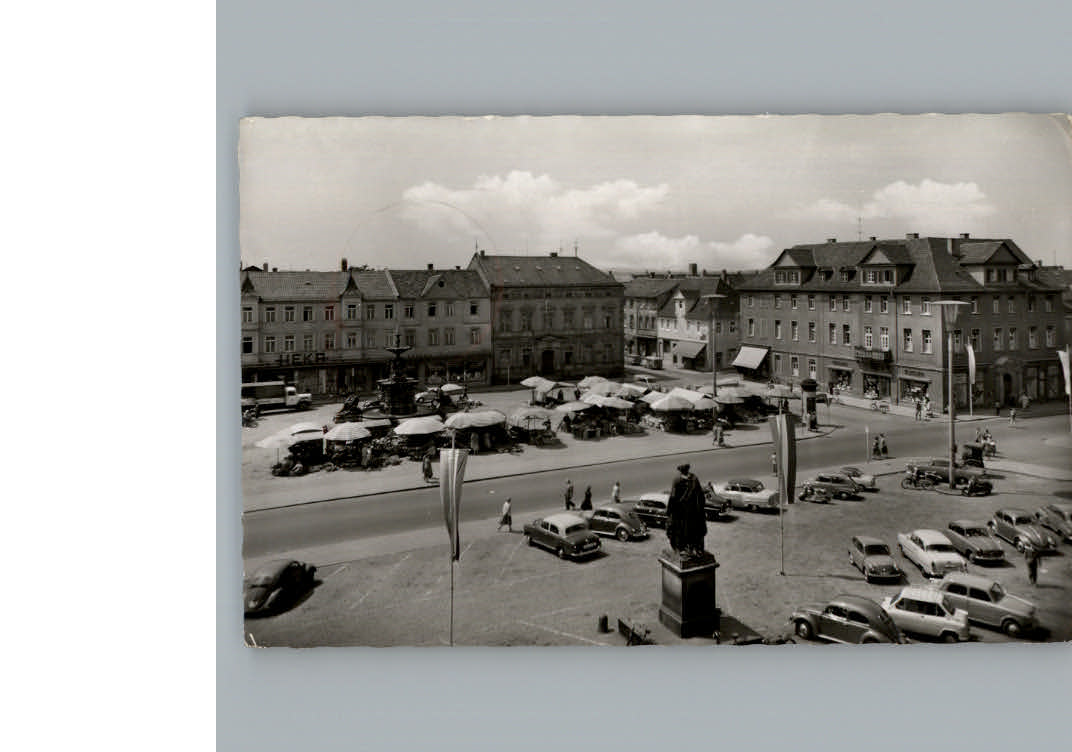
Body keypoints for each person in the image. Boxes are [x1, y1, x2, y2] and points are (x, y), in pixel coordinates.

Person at [666, 463, 708, 556]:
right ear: (688, 469)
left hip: (681, 511)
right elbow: (700, 495)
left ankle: (683, 549)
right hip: (694, 511)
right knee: (694, 529)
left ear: (680, 470)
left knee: (681, 529)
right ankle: (695, 548)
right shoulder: (694, 479)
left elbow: (672, 497)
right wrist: (701, 508)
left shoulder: (677, 480)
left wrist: (669, 511)